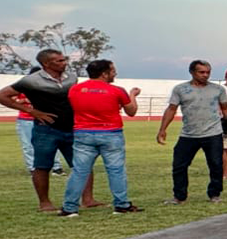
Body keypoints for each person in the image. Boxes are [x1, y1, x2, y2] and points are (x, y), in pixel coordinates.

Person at [0, 48, 95, 214]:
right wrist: (32, 111)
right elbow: (3, 95)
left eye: (64, 59)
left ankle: (88, 200)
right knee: (42, 166)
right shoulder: (31, 80)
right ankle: (44, 203)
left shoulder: (71, 77)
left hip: (72, 128)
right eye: (59, 61)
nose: (64, 63)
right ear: (46, 63)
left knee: (82, 164)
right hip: (45, 130)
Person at [58, 62, 142, 218]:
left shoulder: (75, 89)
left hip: (83, 132)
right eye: (113, 71)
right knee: (116, 170)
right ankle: (121, 204)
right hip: (111, 133)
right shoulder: (116, 90)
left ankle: (69, 207)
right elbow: (131, 111)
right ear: (104, 73)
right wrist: (132, 95)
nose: (115, 74)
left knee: (79, 171)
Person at [157, 60, 227, 206]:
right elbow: (171, 109)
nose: (205, 75)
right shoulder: (180, 89)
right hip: (189, 134)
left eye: (208, 72)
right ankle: (179, 196)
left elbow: (226, 108)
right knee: (179, 165)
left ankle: (214, 194)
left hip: (213, 133)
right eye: (201, 72)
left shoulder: (218, 89)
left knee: (216, 164)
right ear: (192, 72)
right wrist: (162, 129)